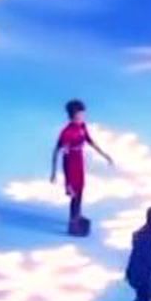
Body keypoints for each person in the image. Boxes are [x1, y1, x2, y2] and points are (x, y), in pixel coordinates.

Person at [51, 99, 115, 236]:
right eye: (80, 115)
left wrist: (105, 155)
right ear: (73, 116)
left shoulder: (82, 127)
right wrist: (61, 177)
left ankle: (77, 216)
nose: (82, 117)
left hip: (79, 163)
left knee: (80, 191)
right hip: (71, 165)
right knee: (74, 193)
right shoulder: (66, 133)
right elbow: (60, 152)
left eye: (83, 115)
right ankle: (73, 222)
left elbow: (90, 141)